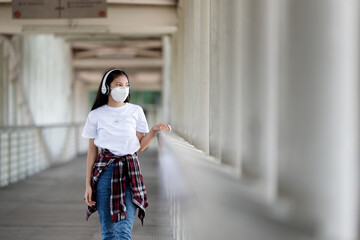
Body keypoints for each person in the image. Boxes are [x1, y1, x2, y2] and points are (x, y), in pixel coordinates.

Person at [82, 68, 171, 240]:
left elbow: (140, 146)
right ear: (106, 88)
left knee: (123, 233)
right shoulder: (95, 115)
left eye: (126, 85)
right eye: (118, 85)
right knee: (108, 233)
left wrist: (153, 131)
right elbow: (92, 151)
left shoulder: (135, 111)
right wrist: (88, 185)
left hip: (130, 172)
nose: (123, 88)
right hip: (104, 173)